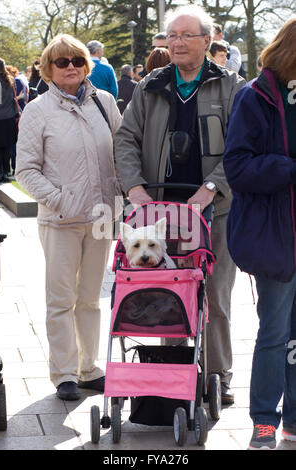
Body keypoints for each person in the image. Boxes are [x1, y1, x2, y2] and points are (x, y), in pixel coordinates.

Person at [115, 4, 245, 404]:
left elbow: (243, 146)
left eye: (186, 35)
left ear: (208, 41)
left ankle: (218, 374)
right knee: (163, 292)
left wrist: (211, 187)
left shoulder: (232, 86)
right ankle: (170, 372)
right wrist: (135, 188)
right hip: (158, 214)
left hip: (214, 211)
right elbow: (125, 140)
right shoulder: (151, 84)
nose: (177, 43)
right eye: (171, 36)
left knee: (215, 297)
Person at [15, 34, 122, 401]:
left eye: (77, 60)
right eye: (62, 62)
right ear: (48, 69)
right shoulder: (37, 110)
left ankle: (88, 368)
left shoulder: (105, 102)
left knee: (91, 299)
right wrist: (60, 200)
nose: (71, 67)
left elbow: (121, 154)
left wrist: (124, 195)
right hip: (60, 219)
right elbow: (25, 170)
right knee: (60, 300)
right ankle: (64, 374)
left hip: (102, 217)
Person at [223, 17, 296, 450]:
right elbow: (238, 166)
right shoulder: (255, 97)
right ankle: (264, 424)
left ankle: (292, 422)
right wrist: (290, 169)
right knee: (275, 333)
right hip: (274, 234)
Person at [0, 58, 19, 182]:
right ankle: (7, 171)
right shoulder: (10, 80)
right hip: (9, 118)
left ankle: (0, 172)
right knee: (7, 147)